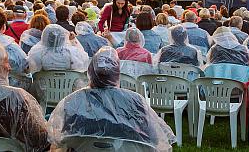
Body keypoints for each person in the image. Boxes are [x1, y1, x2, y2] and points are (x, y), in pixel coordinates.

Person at [47, 46, 175, 151]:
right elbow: (154, 140)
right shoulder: (135, 100)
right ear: (117, 74)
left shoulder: (72, 100)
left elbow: (61, 139)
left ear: (90, 73)